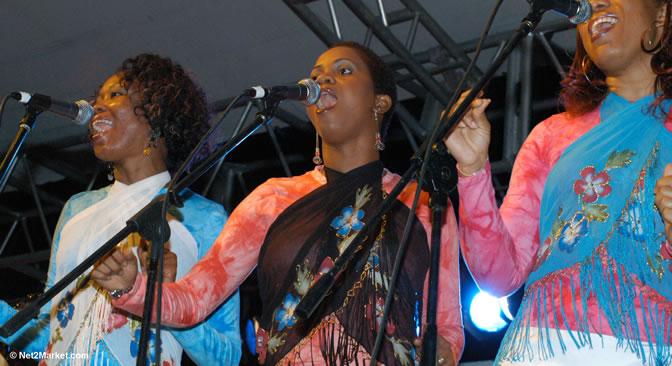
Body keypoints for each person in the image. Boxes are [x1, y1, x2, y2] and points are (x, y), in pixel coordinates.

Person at [91, 42, 465, 365]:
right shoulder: (272, 199)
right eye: (316, 75)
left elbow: (447, 326)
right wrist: (132, 289)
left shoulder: (423, 203)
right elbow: (195, 298)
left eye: (343, 71)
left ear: (379, 102)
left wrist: (445, 350)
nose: (323, 80)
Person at [445, 0, 672, 365]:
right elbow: (499, 277)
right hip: (541, 344)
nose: (594, 4)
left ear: (662, 15)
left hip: (651, 344)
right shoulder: (551, 134)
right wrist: (473, 170)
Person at [0, 54, 242, 365]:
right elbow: (48, 340)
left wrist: (166, 297)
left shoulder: (204, 219)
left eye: (115, 95)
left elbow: (226, 358)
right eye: (97, 99)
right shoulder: (77, 209)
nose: (95, 107)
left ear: (158, 115)